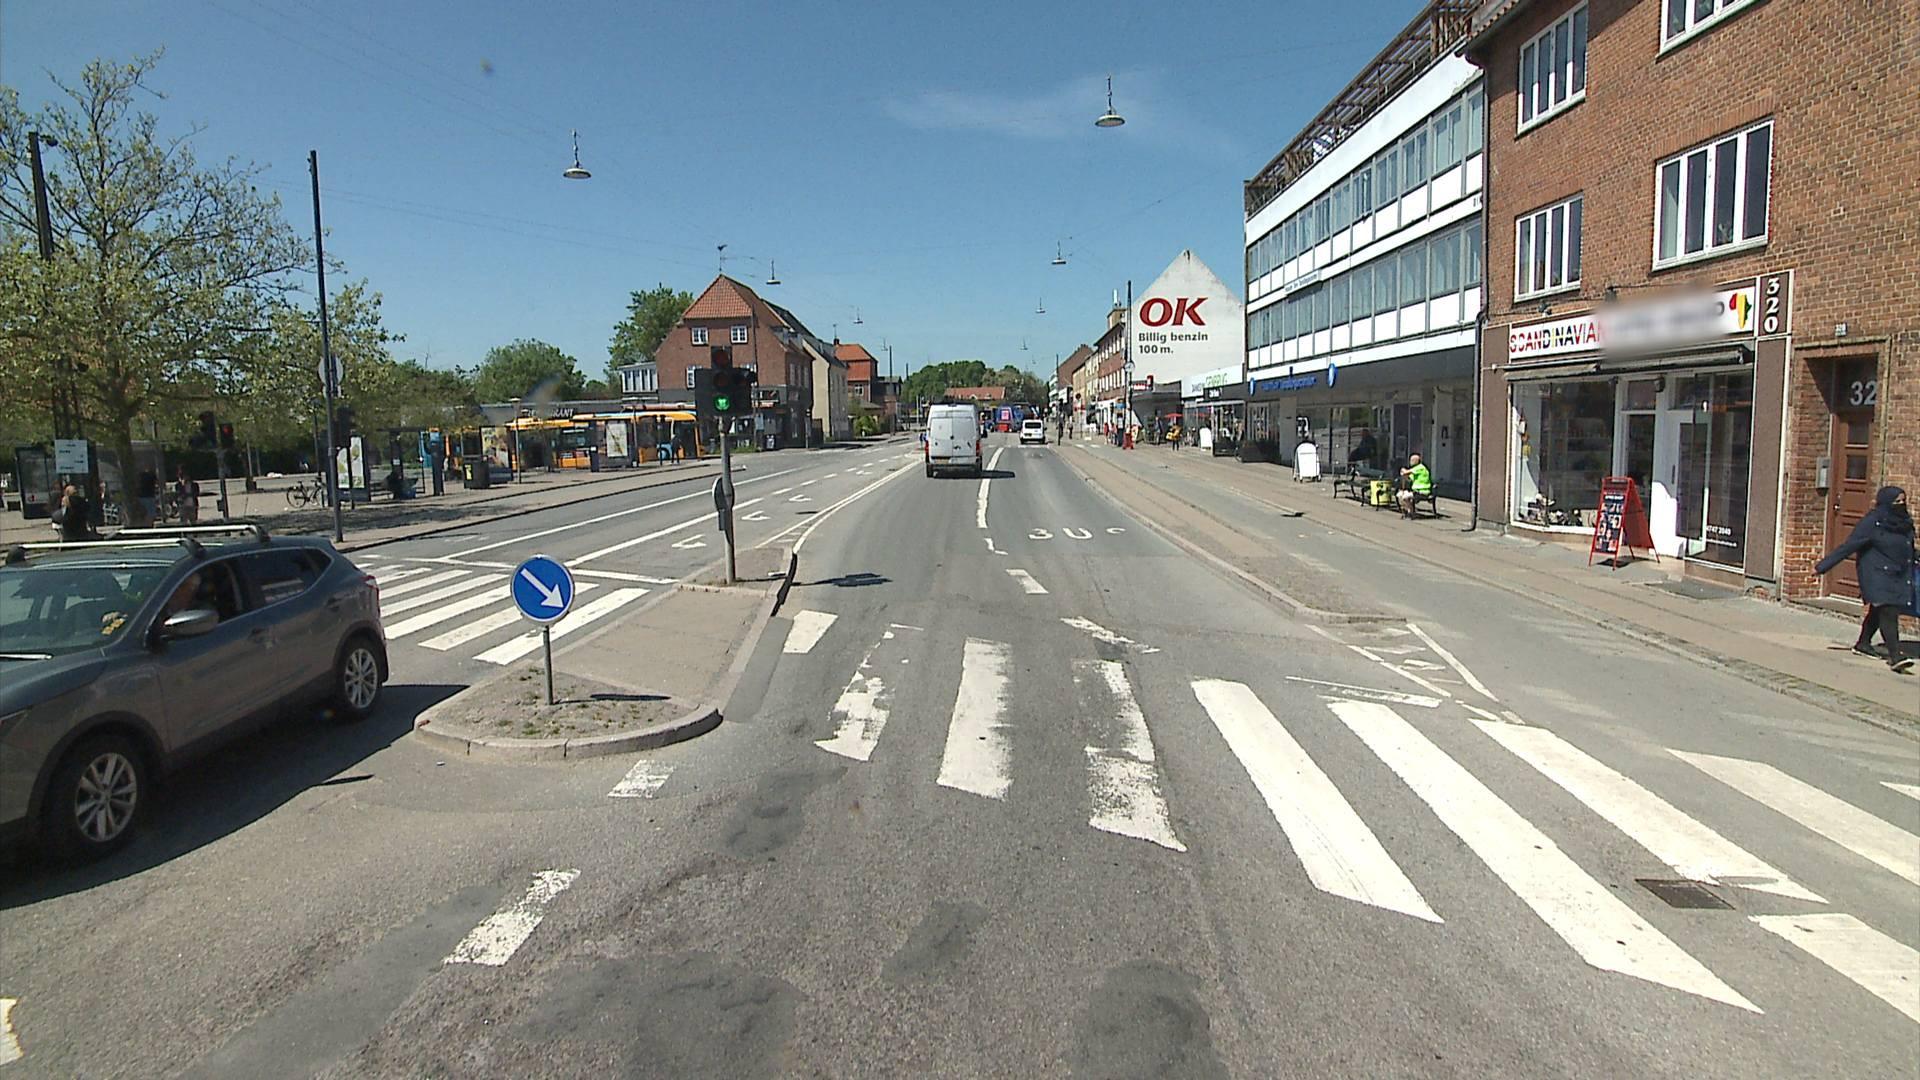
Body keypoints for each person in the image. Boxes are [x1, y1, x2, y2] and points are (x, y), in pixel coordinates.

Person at [1816, 485, 1915, 674]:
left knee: (1878, 610)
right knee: (1888, 610)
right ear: (1885, 502)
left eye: (1903, 501)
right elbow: (1849, 546)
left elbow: (1908, 547)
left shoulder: (1904, 523)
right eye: (1896, 502)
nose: (1901, 505)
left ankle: (1863, 643)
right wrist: (1823, 567)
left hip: (1897, 572)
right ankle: (1896, 656)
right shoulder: (1872, 522)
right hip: (1875, 573)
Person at [1396, 452, 1433, 519]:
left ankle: (1411, 512)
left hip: (1422, 491)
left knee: (1405, 497)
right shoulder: (1415, 469)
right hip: (1416, 491)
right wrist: (1405, 476)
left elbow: (1406, 472)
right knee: (1399, 494)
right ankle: (1409, 511)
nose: (1410, 462)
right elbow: (1410, 478)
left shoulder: (1420, 467)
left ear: (1416, 461)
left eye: (1412, 460)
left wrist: (1403, 470)